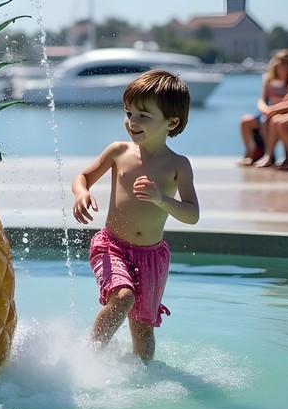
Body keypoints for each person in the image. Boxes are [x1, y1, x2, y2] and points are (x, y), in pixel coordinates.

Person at [71, 69, 200, 361]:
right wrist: (82, 193)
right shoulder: (119, 151)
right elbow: (82, 176)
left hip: (151, 256)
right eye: (129, 113)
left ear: (172, 122)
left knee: (142, 327)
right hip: (112, 246)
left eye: (143, 115)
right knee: (123, 298)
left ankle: (145, 379)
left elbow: (192, 214)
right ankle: (86, 359)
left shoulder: (178, 165)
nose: (132, 122)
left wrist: (161, 199)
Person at [239, 49, 288, 165]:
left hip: (283, 114)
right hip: (268, 112)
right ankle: (251, 153)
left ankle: (269, 155)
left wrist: (273, 111)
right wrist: (266, 109)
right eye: (280, 65)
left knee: (267, 122)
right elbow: (261, 100)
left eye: (285, 65)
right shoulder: (268, 79)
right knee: (245, 121)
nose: (282, 68)